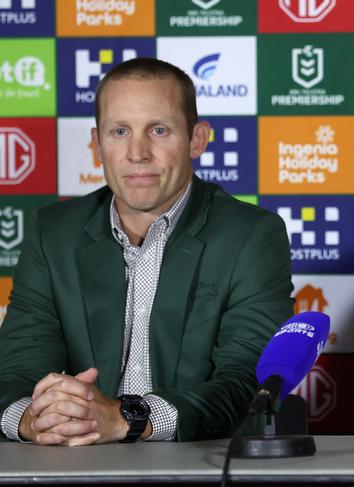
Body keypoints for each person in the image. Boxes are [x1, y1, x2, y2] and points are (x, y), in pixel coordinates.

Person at [0, 58, 293, 445]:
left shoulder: (252, 235)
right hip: (72, 460)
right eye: (119, 131)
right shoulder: (53, 233)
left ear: (197, 139)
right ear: (97, 142)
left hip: (196, 464)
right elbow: (15, 374)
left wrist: (127, 419)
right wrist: (33, 419)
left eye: (159, 129)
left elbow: (248, 385)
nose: (137, 152)